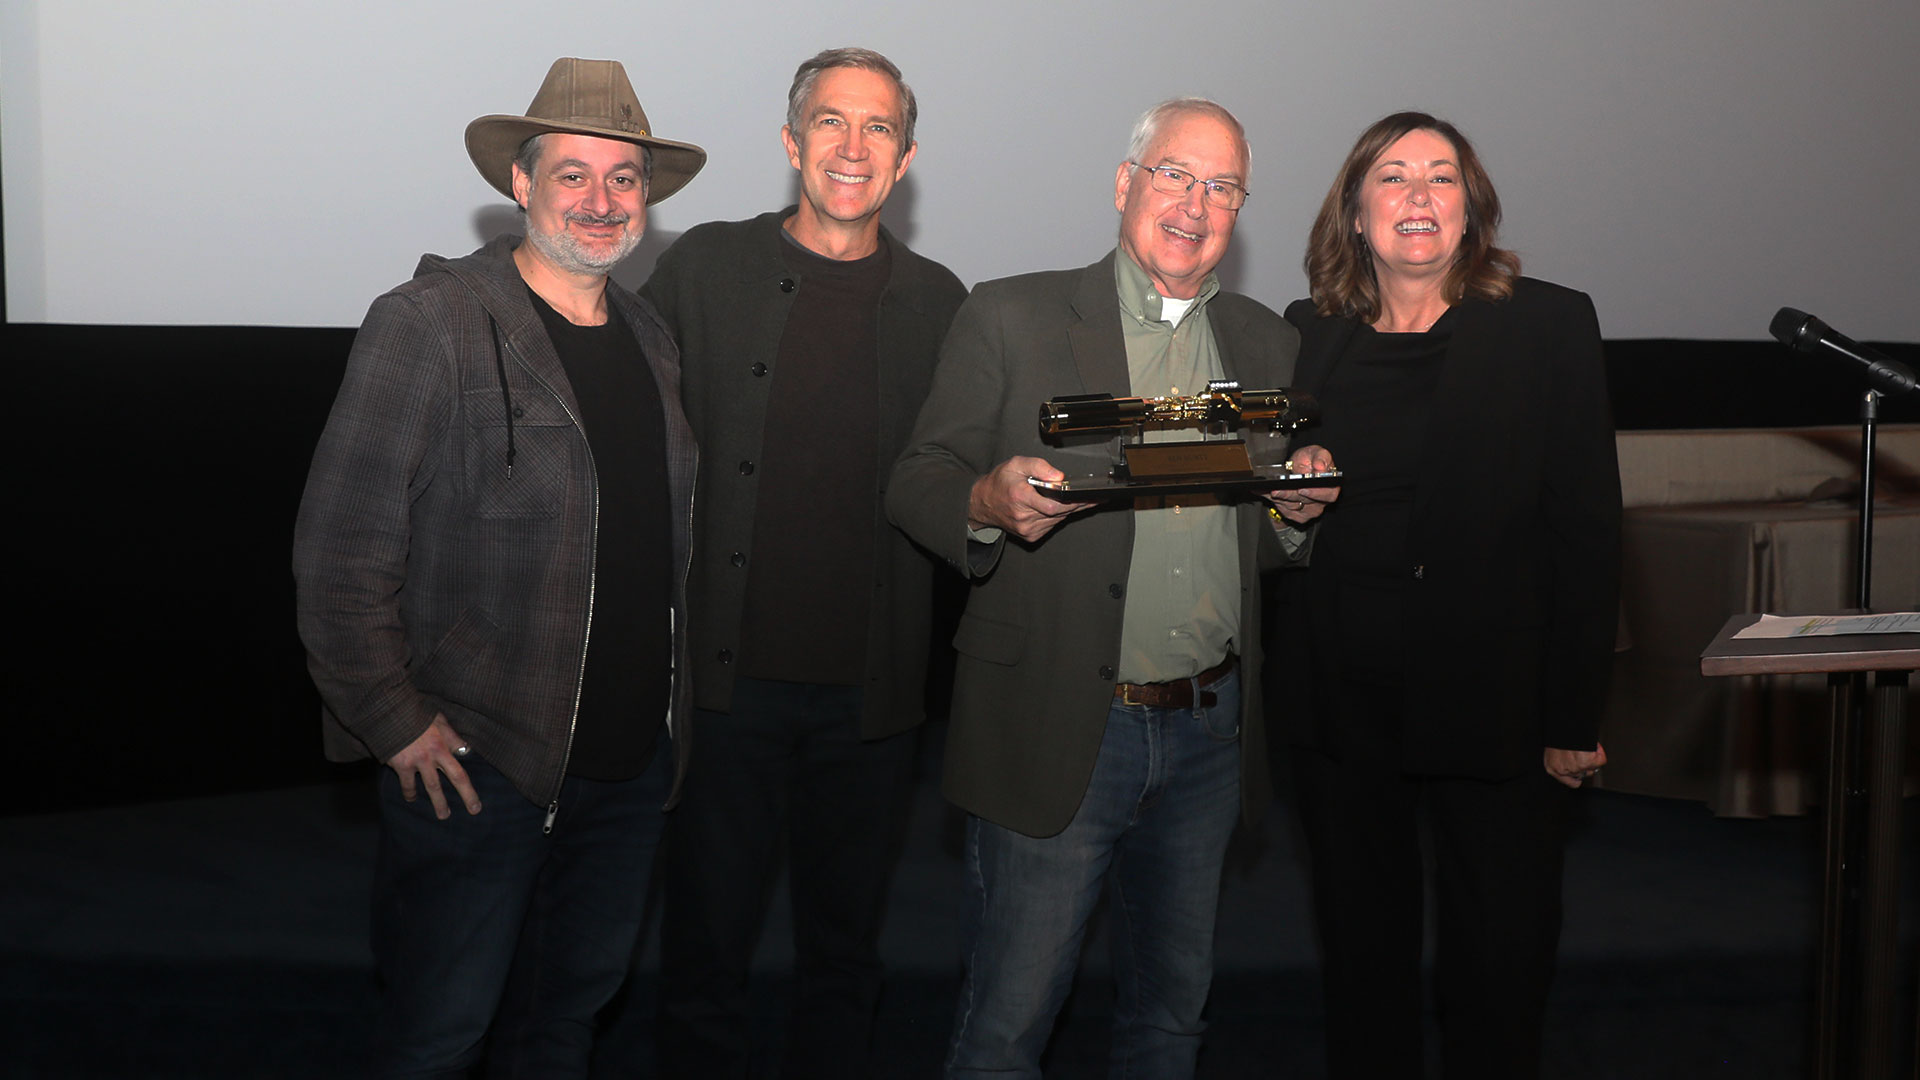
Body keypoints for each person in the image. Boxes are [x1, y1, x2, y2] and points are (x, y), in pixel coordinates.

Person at [887, 98, 1337, 1079]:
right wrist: (987, 499)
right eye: (1175, 174)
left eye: (1222, 187)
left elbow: (1247, 540)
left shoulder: (1266, 343)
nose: (1195, 204)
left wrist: (1292, 515)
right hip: (1058, 722)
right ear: (1126, 183)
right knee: (1007, 1028)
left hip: (1210, 735)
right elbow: (916, 479)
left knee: (1172, 1021)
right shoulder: (1011, 314)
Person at [290, 58, 704, 1077]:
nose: (601, 200)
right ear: (521, 184)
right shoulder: (429, 324)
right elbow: (338, 556)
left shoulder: (653, 339)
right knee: (441, 1038)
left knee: (562, 1030)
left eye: (623, 178)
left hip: (627, 769)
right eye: (573, 174)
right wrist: (392, 721)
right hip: (480, 771)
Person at [631, 46, 966, 1078]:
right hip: (724, 690)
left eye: (878, 127)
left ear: (905, 159)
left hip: (871, 701)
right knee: (704, 950)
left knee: (844, 955)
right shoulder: (703, 268)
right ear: (790, 142)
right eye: (830, 121)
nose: (853, 146)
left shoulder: (942, 301)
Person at [1276, 111, 1621, 1078]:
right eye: (1393, 177)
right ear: (1356, 214)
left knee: (1500, 962)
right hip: (1342, 700)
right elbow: (1277, 499)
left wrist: (1574, 714)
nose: (1419, 195)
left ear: (1471, 210)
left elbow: (1588, 530)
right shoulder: (1307, 333)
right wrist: (1291, 488)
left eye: (1442, 177)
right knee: (1362, 958)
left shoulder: (1549, 323)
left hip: (1497, 701)